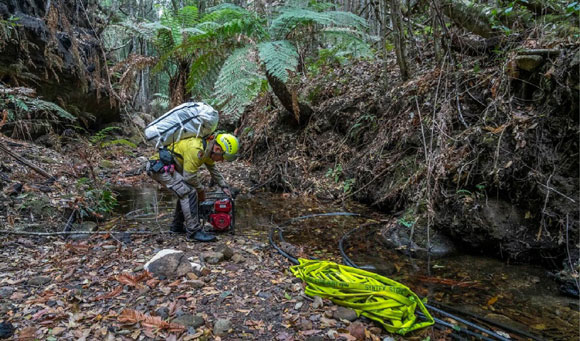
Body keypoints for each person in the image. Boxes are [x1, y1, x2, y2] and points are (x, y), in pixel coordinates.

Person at [146, 133, 239, 241]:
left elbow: (213, 169)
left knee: (184, 191)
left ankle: (177, 226)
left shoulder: (207, 149)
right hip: (160, 168)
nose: (222, 160)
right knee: (188, 192)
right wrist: (201, 190)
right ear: (218, 149)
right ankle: (194, 232)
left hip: (166, 168)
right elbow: (189, 177)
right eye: (223, 156)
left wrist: (224, 186)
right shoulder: (196, 149)